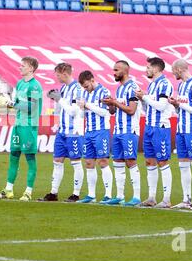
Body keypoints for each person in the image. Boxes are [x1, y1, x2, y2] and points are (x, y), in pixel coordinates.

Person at [0, 56, 43, 201]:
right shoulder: (20, 84)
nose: (20, 67)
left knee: (30, 158)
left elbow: (31, 107)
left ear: (31, 68)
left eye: (23, 65)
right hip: (18, 125)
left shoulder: (35, 86)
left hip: (29, 126)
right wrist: (12, 104)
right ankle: (8, 190)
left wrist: (9, 103)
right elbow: (18, 105)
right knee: (13, 157)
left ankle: (28, 192)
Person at [38, 62, 85, 203]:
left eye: (58, 75)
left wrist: (59, 99)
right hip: (62, 131)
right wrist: (55, 99)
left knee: (75, 162)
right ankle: (53, 193)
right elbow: (61, 110)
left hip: (74, 131)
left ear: (65, 73)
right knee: (57, 161)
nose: (57, 78)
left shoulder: (78, 89)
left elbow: (73, 110)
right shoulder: (63, 88)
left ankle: (76, 194)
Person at [168, 59, 192, 210]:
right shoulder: (182, 85)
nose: (172, 73)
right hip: (181, 129)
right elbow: (182, 109)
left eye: (173, 70)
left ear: (179, 69)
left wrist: (180, 104)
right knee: (183, 165)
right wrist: (176, 106)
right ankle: (186, 199)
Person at [102, 60, 142, 206]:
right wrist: (110, 105)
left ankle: (136, 197)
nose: (114, 73)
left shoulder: (133, 87)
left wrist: (115, 102)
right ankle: (119, 196)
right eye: (114, 70)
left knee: (130, 161)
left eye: (116, 70)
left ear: (125, 71)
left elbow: (131, 110)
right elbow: (115, 110)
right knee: (117, 162)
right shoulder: (119, 89)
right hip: (118, 130)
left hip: (129, 131)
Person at [136, 57, 174, 208]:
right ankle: (151, 197)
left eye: (148, 67)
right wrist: (142, 100)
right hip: (149, 127)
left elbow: (161, 106)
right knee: (149, 161)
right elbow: (149, 109)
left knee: (163, 161)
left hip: (160, 128)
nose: (146, 70)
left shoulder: (165, 84)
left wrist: (144, 96)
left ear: (156, 69)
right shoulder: (152, 86)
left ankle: (166, 199)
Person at [76, 70, 115, 203]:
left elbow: (105, 113)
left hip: (101, 131)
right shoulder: (84, 93)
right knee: (88, 162)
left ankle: (108, 195)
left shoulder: (104, 92)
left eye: (87, 86)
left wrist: (87, 105)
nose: (85, 89)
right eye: (84, 87)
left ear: (92, 80)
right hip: (89, 131)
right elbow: (82, 115)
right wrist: (81, 108)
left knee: (103, 161)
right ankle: (91, 195)